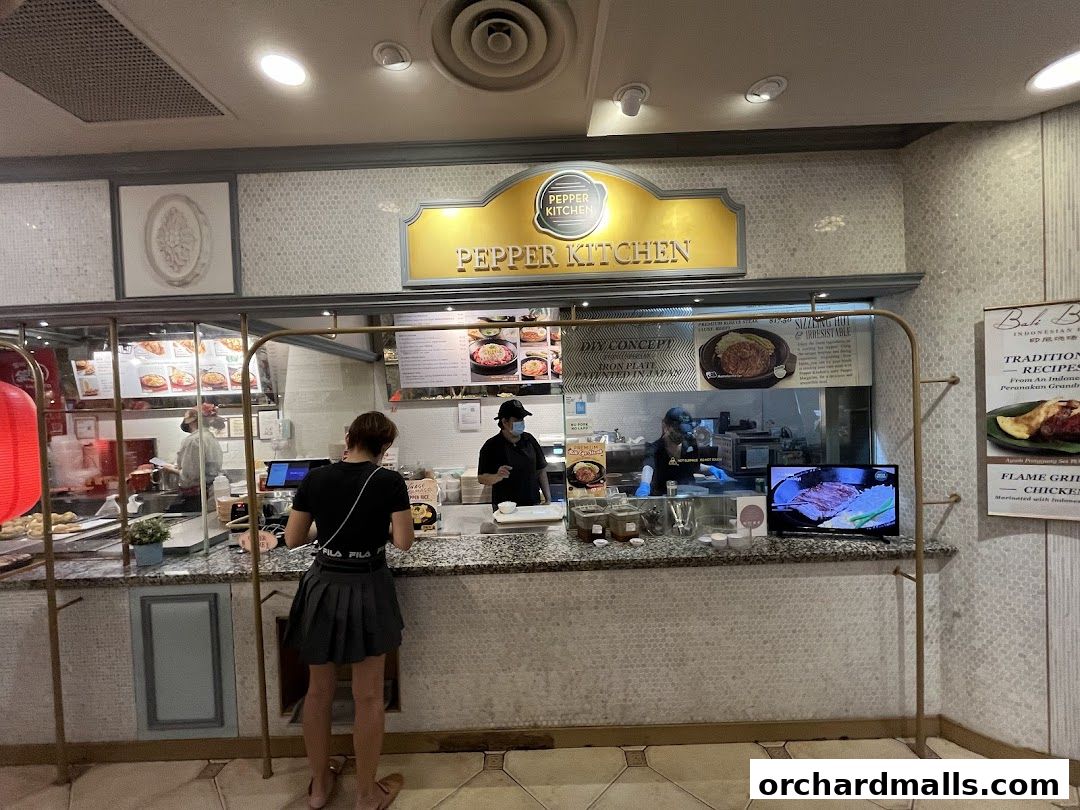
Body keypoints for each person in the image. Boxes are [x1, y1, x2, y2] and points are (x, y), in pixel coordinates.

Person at [283, 412, 413, 810]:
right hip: (367, 585)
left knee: (318, 693)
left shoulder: (316, 478)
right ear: (384, 447)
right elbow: (404, 541)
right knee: (368, 696)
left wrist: (328, 525)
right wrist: (381, 527)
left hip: (323, 586)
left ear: (349, 438)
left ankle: (320, 788)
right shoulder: (390, 482)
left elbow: (292, 539)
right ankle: (365, 794)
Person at [635, 406, 733, 497]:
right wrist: (645, 485)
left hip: (689, 496)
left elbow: (692, 465)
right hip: (663, 497)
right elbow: (648, 468)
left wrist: (711, 468)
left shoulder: (690, 444)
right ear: (666, 426)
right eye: (678, 431)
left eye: (684, 431)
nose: (681, 435)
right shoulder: (655, 448)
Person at [477, 399, 551, 509]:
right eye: (517, 419)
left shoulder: (529, 440)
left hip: (532, 505)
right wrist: (497, 476)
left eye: (522, 419)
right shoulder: (491, 446)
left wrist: (548, 499)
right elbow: (481, 478)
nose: (521, 422)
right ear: (504, 422)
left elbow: (540, 470)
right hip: (504, 508)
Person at [164, 403, 224, 512]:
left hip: (197, 496)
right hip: (207, 492)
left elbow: (189, 475)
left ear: (192, 421)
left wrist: (170, 469)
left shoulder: (194, 440)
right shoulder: (209, 437)